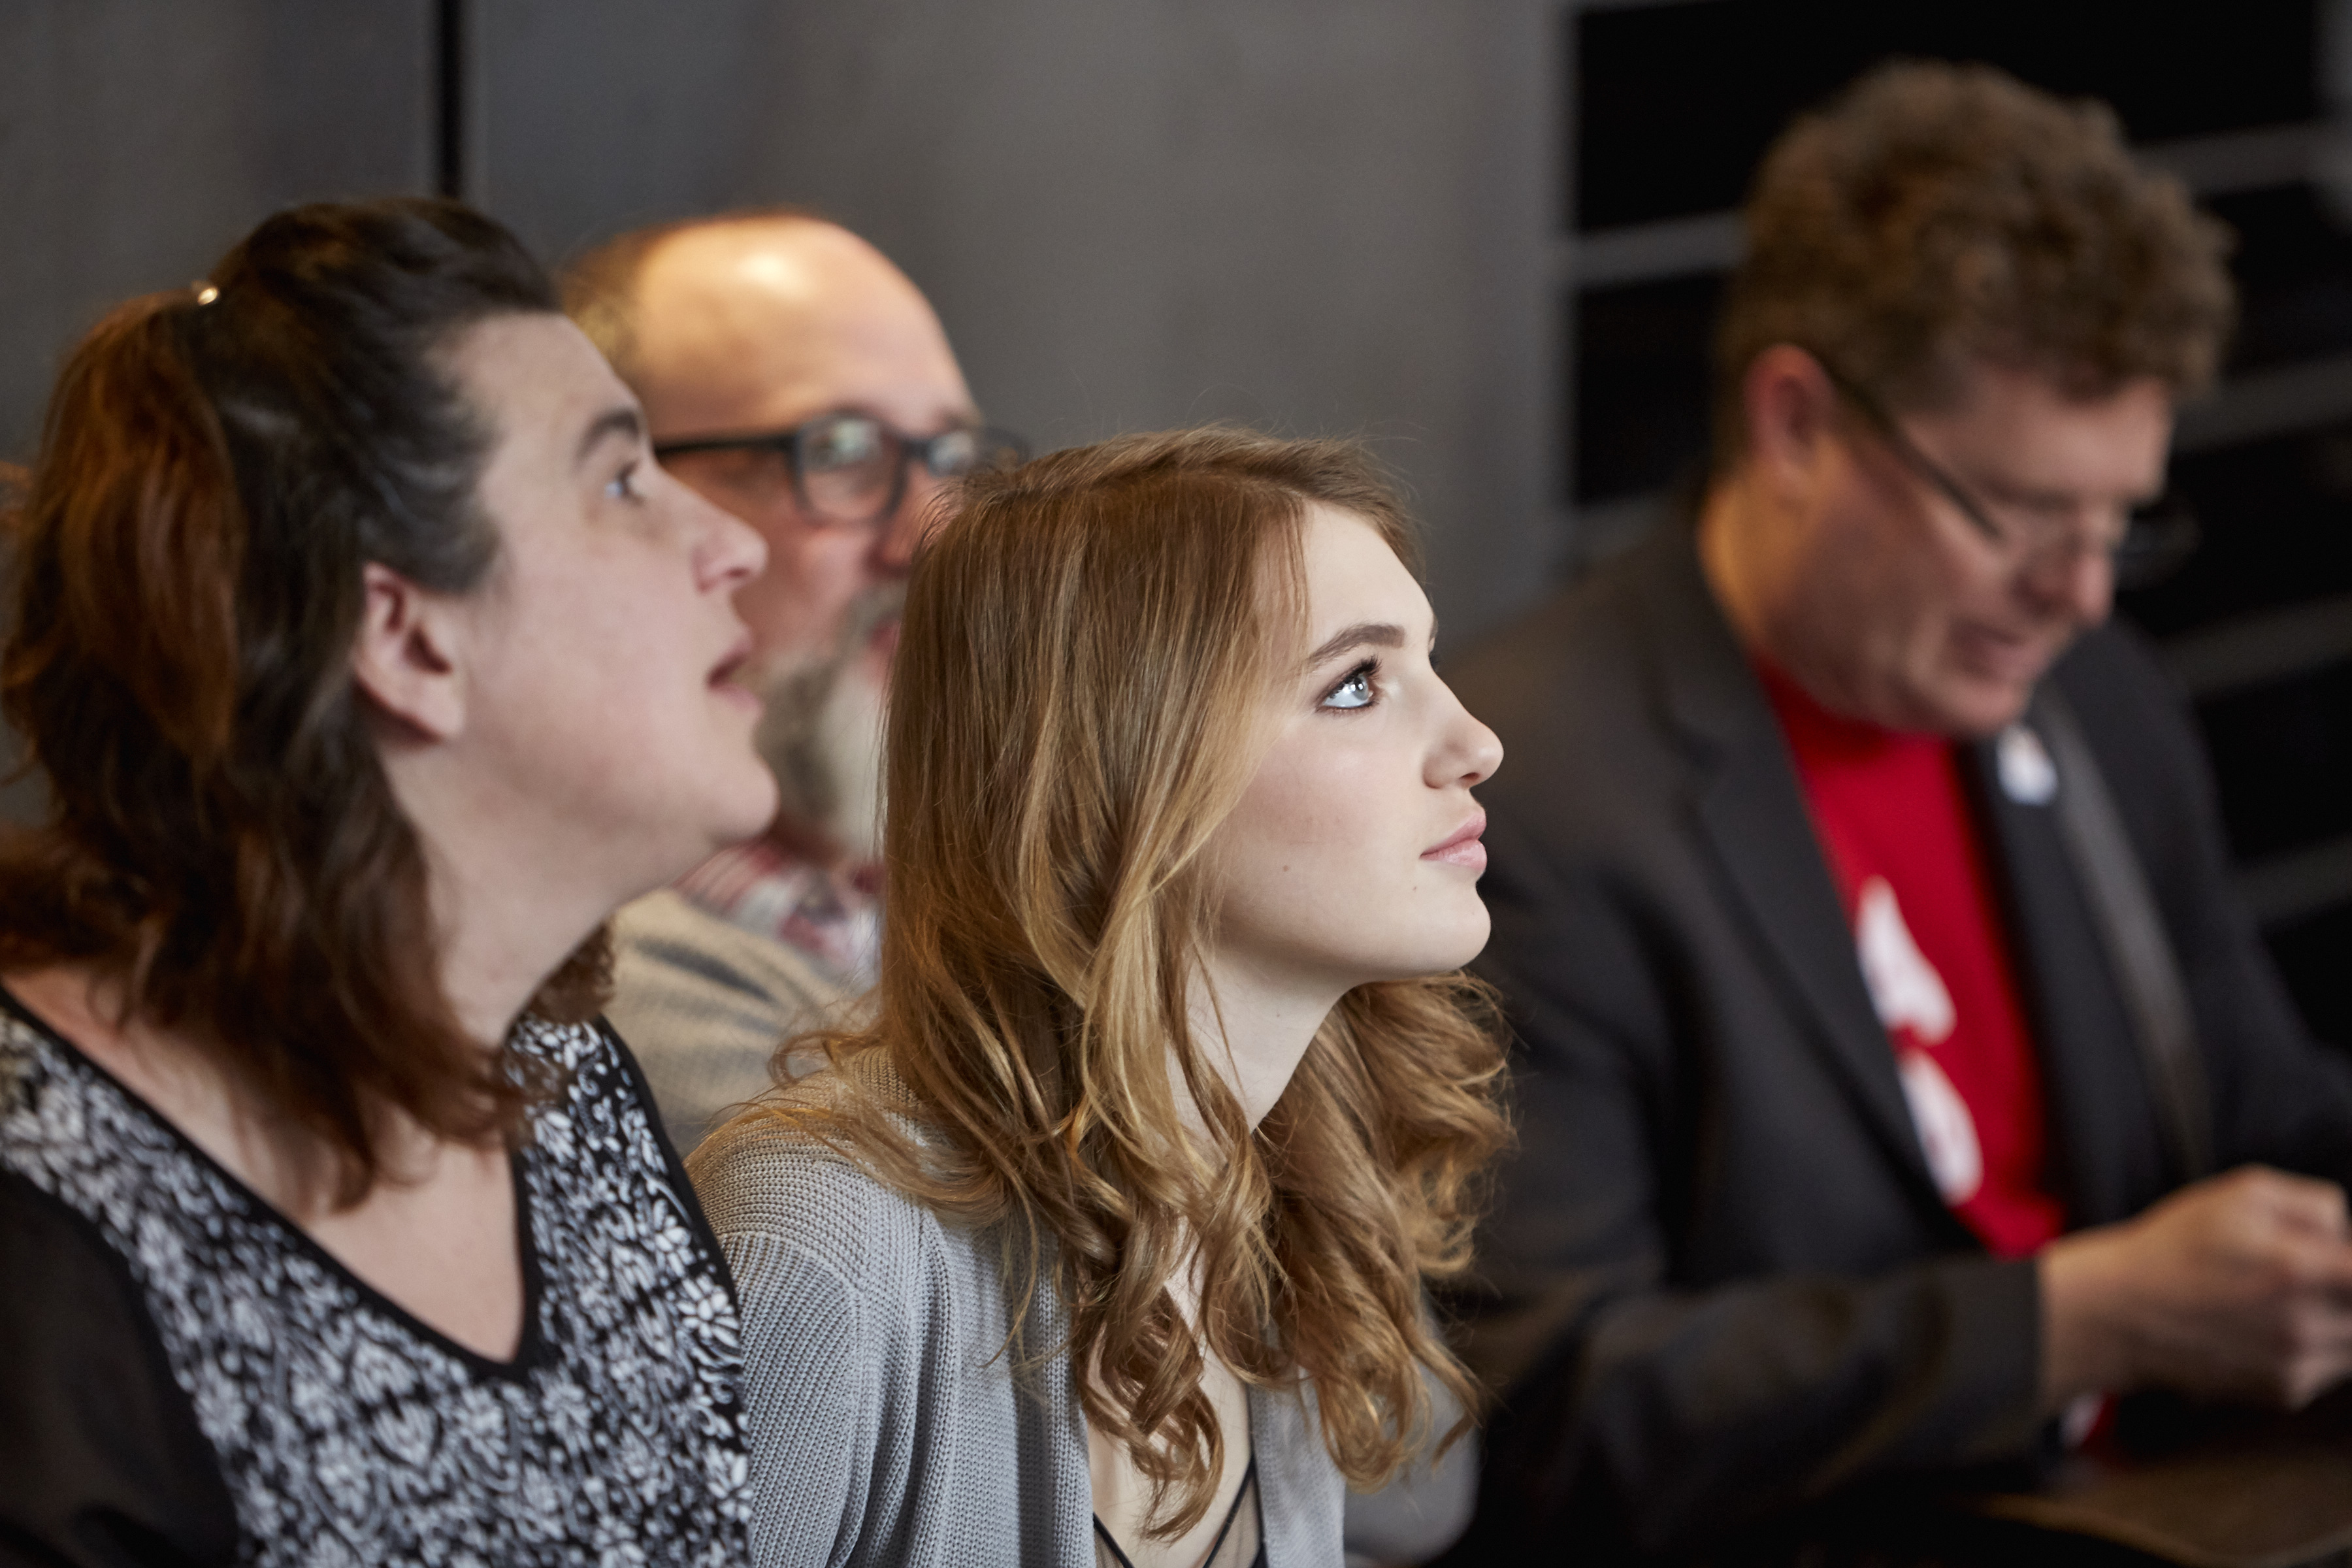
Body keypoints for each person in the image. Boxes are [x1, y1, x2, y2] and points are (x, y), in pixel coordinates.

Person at [1440, 62, 2352, 1563]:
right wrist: (2074, 1324)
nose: (2082, 594)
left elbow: (2258, 1115)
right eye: (2020, 515)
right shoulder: (1523, 791)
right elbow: (1549, 1411)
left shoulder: (2095, 701)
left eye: (2117, 522)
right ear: (1797, 424)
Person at [0, 198, 777, 1564]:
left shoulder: (564, 1088)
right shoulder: (41, 1216)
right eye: (620, 483)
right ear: (410, 642)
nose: (736, 546)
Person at [688, 429, 1509, 1567]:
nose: (1476, 743)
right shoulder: (822, 1241)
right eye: (1356, 685)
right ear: (1117, 776)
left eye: (1429, 661)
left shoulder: (1282, 1191)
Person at [563, 210, 1022, 1153]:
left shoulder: (976, 899)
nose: (937, 536)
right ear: (614, 493)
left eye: (952, 458)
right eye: (841, 452)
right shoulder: (612, 987)